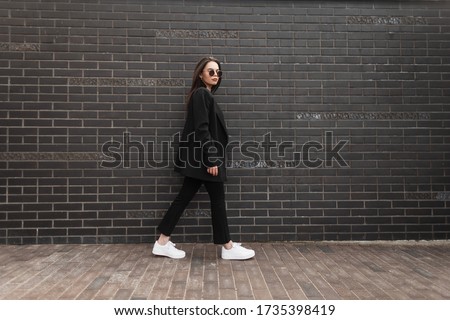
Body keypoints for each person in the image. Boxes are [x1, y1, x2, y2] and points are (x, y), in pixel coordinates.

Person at [152, 57, 255, 260]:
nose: (215, 75)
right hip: (204, 161)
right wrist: (212, 158)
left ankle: (162, 242)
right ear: (201, 74)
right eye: (211, 71)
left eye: (218, 72)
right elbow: (202, 129)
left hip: (199, 161)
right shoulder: (201, 94)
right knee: (216, 200)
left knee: (186, 198)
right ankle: (227, 246)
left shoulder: (205, 95)